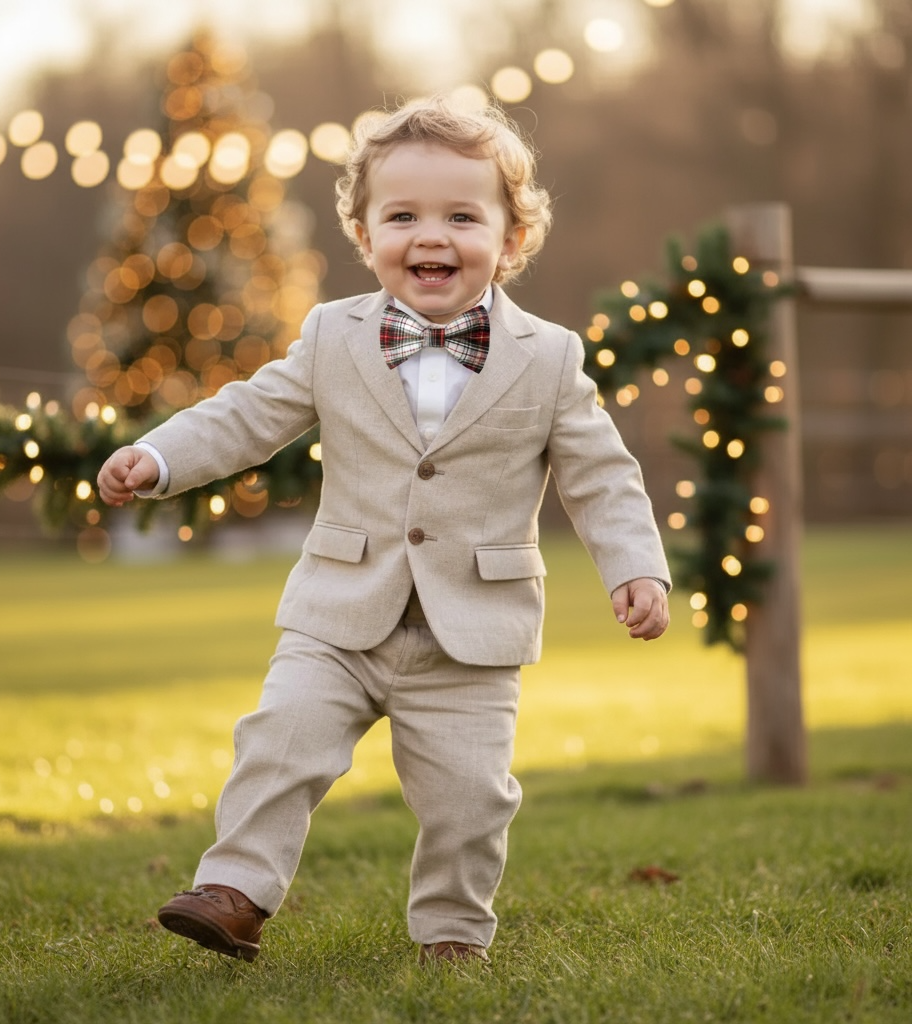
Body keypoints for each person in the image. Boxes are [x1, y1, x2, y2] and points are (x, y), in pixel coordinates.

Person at [97, 96, 671, 966]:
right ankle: (235, 892)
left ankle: (450, 931)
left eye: (460, 216)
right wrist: (161, 457)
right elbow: (250, 415)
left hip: (471, 635)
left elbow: (602, 476)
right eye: (401, 215)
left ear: (511, 239)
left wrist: (638, 568)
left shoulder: (548, 358)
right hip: (339, 610)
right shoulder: (334, 335)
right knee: (279, 743)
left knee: (470, 800)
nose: (428, 236)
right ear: (364, 236)